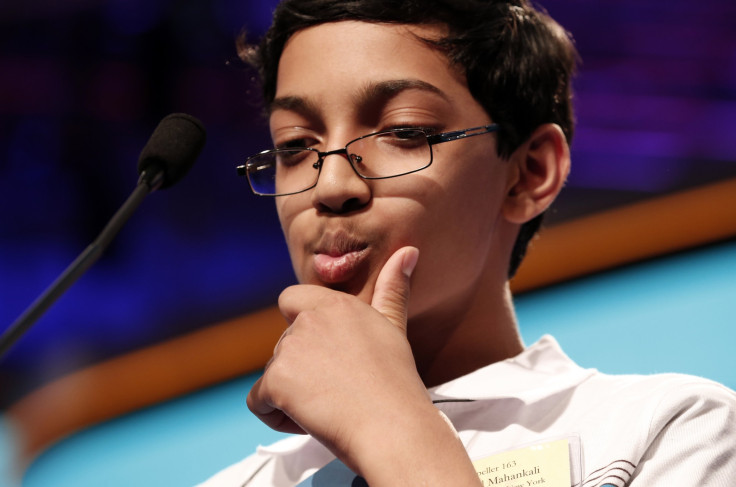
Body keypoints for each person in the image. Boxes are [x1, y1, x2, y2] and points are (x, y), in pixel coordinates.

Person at [199, 0, 736, 485]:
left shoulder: (668, 432)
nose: (332, 185)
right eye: (295, 146)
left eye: (403, 131)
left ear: (528, 173)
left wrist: (388, 423)